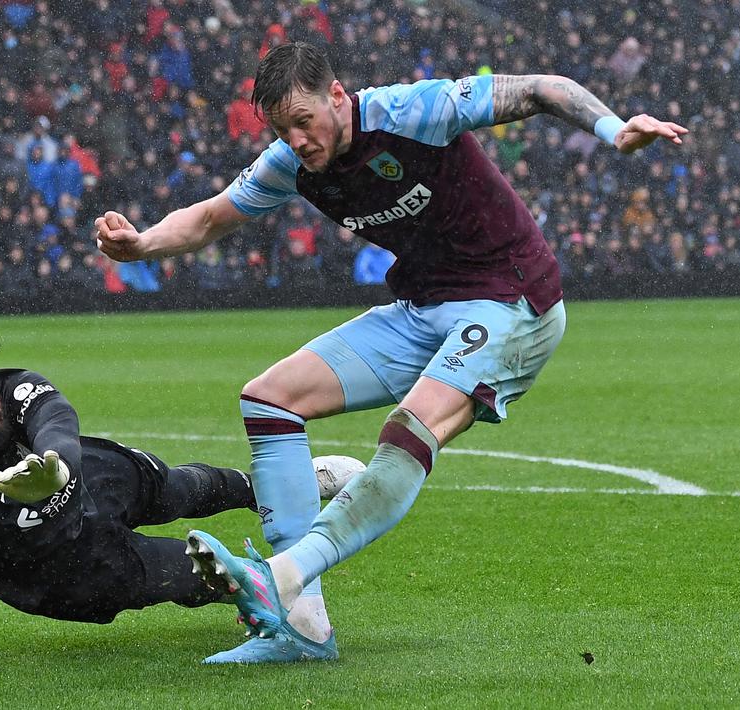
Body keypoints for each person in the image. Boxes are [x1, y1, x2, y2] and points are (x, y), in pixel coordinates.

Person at [94, 42, 687, 663]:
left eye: (305, 121)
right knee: (268, 400)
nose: (296, 139)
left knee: (408, 429)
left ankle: (282, 575)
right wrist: (141, 245)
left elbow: (540, 88)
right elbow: (212, 218)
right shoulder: (290, 165)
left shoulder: (411, 112)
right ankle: (300, 628)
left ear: (338, 98)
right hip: (426, 308)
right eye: (282, 129)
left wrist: (614, 127)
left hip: (513, 302)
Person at [0, 322, 362, 626]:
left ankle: (270, 487)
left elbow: (55, 418)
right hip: (62, 566)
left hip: (92, 479)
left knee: (182, 485)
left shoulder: (11, 387)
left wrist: (55, 465)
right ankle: (280, 581)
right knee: (202, 571)